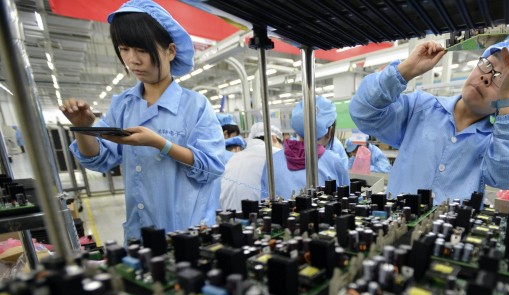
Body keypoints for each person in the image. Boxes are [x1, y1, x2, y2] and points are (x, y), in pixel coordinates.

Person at [62, 0, 224, 242]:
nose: (132, 60)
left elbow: (210, 168)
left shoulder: (195, 105)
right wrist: (83, 129)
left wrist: (161, 144)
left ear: (170, 51)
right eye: (125, 49)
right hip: (140, 232)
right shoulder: (123, 104)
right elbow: (100, 159)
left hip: (187, 230)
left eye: (142, 50)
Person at [350, 29, 509, 204]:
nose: (486, 77)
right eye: (487, 64)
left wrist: (508, 101)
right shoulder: (420, 108)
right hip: (395, 227)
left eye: (502, 80)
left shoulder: (498, 142)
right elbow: (363, 113)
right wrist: (405, 70)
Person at [261, 96, 349, 199]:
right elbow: (345, 200)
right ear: (329, 132)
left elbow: (264, 200)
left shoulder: (272, 161)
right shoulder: (334, 162)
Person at [221, 123, 282, 210]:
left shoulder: (234, 157)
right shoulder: (276, 154)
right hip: (257, 217)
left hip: (227, 216)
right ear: (274, 138)